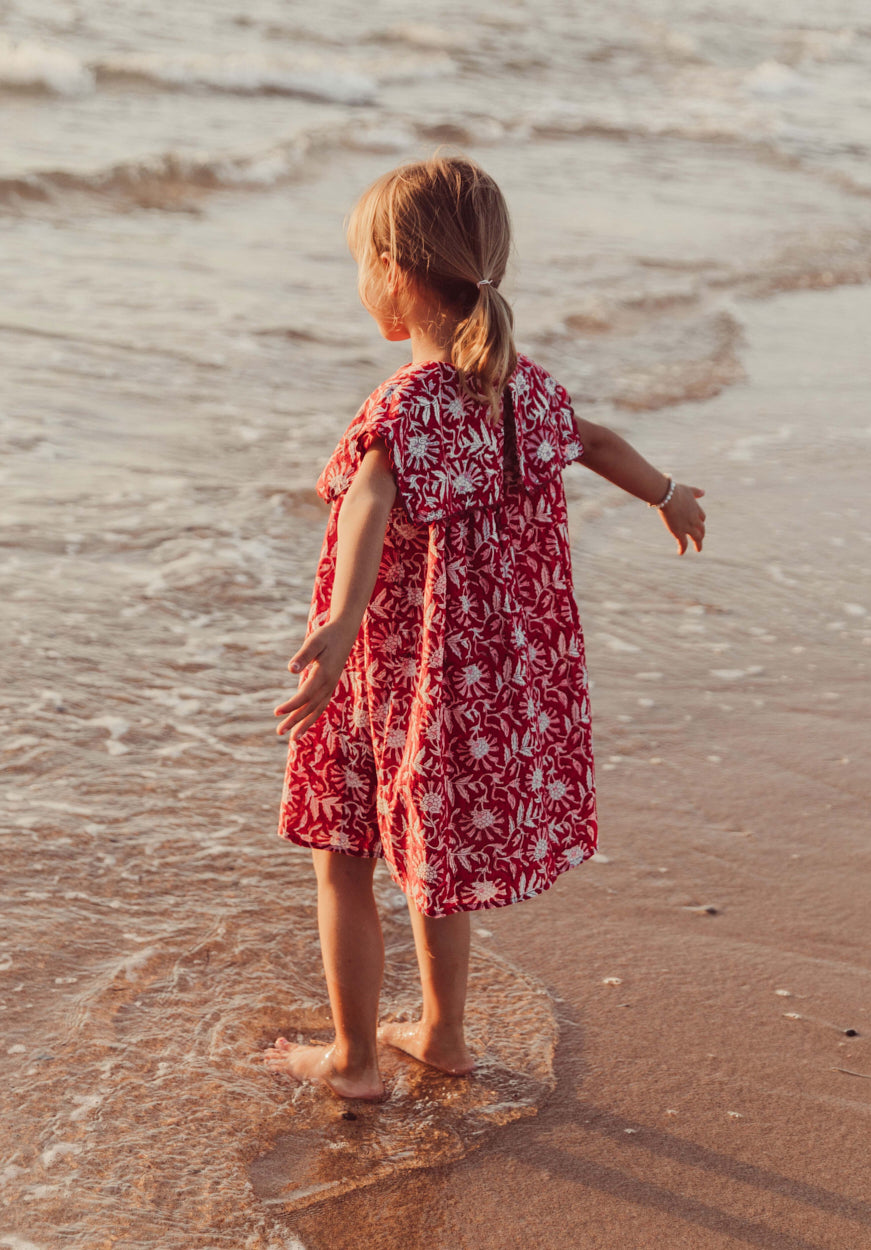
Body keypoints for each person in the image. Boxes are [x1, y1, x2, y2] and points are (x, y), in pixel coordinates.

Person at [266, 155, 706, 1101]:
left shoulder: (403, 407)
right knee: (439, 860)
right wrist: (667, 494)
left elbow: (366, 508)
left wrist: (339, 632)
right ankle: (443, 1035)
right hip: (487, 679)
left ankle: (352, 1061)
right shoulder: (529, 392)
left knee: (344, 859)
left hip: (395, 670)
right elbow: (594, 444)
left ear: (391, 275)